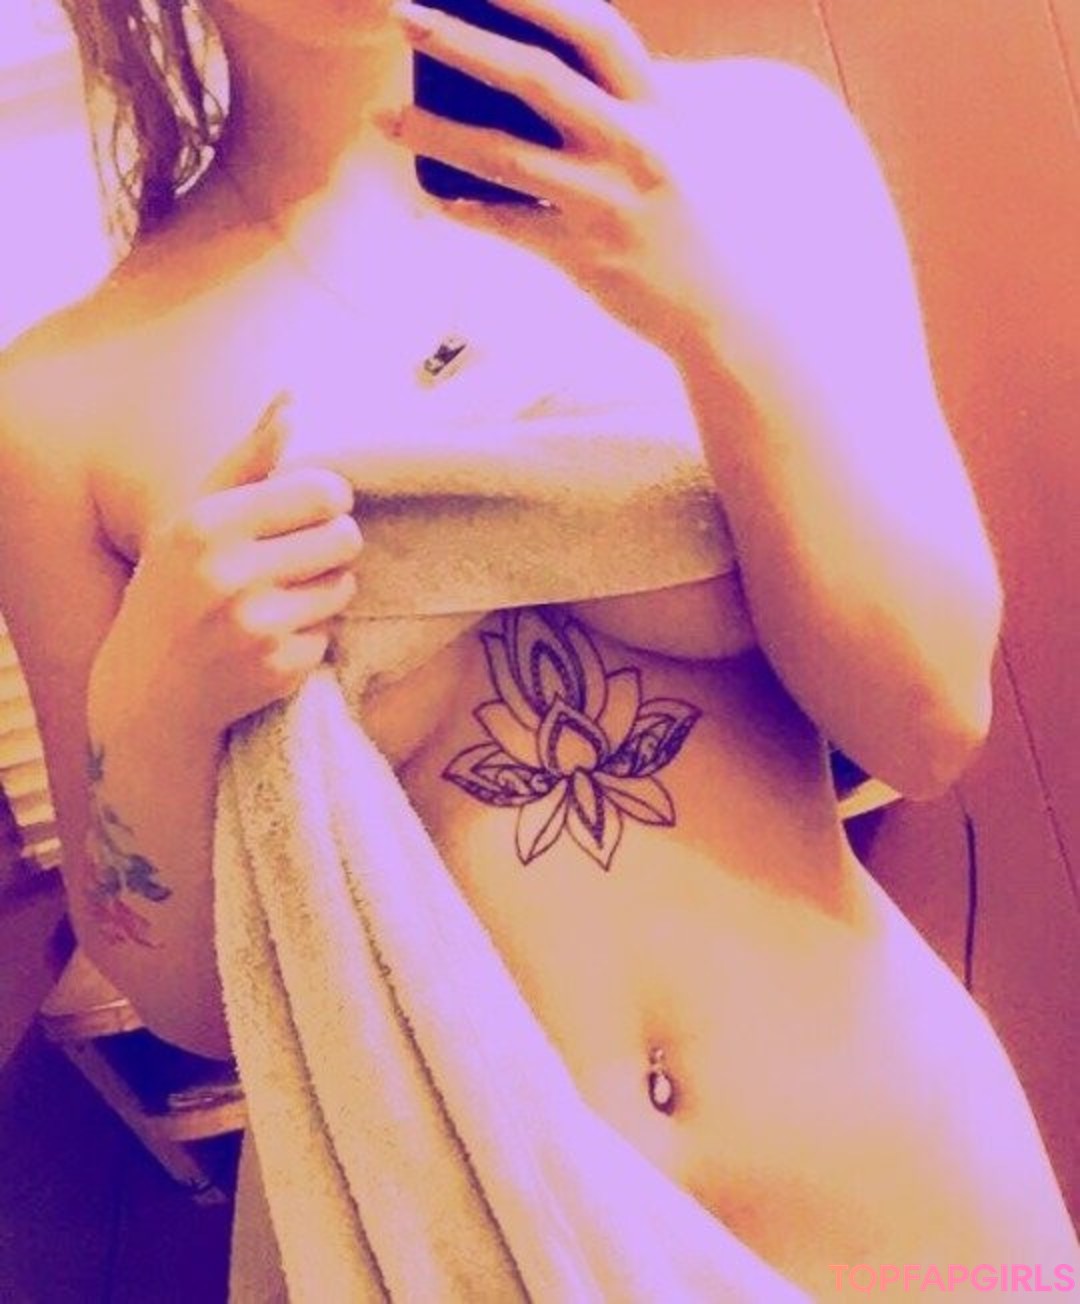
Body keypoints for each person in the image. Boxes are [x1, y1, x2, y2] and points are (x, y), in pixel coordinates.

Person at [0, 0, 1075, 1294]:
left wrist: (716, 315)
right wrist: (156, 699)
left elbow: (929, 719)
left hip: (894, 1189)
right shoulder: (63, 402)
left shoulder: (750, 156)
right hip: (460, 1243)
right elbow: (196, 1006)